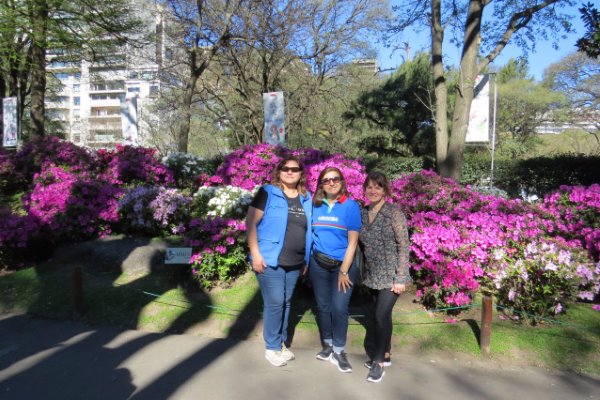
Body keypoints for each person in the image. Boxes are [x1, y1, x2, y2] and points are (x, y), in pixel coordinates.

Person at [246, 155, 312, 367]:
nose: (290, 172)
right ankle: (272, 347)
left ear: (301, 173)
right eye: (285, 168)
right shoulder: (268, 192)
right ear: (279, 171)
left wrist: (305, 260)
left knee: (287, 301)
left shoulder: (306, 198)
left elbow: (307, 230)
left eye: (294, 169)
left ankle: (281, 343)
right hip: (269, 259)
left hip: (295, 261)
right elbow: (251, 224)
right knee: (275, 302)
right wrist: (256, 253)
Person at [359, 171, 411, 383]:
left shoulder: (394, 213)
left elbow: (404, 245)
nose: (373, 191)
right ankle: (386, 353)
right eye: (369, 187)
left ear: (385, 190)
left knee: (380, 315)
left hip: (392, 274)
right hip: (373, 274)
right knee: (379, 316)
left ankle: (378, 362)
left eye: (377, 187)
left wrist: (400, 277)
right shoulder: (363, 213)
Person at [310, 167, 361, 373]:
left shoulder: (350, 206)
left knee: (339, 307)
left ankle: (339, 351)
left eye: (335, 179)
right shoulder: (315, 205)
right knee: (323, 307)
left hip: (343, 266)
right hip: (318, 264)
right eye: (326, 180)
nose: (331, 183)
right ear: (321, 184)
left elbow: (353, 242)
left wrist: (344, 271)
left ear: (342, 181)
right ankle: (328, 344)